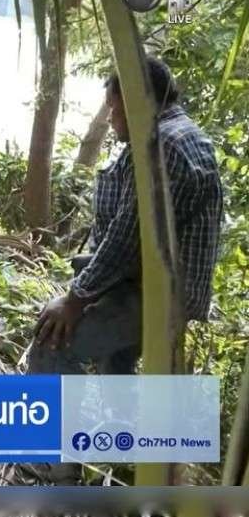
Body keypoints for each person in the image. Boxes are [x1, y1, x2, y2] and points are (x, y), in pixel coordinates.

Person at [28, 57, 224, 375]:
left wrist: (74, 301)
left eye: (113, 106)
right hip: (153, 287)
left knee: (52, 342)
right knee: (116, 365)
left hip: (155, 295)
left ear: (134, 99)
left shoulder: (161, 146)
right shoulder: (180, 134)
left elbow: (127, 238)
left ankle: (50, 410)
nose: (110, 117)